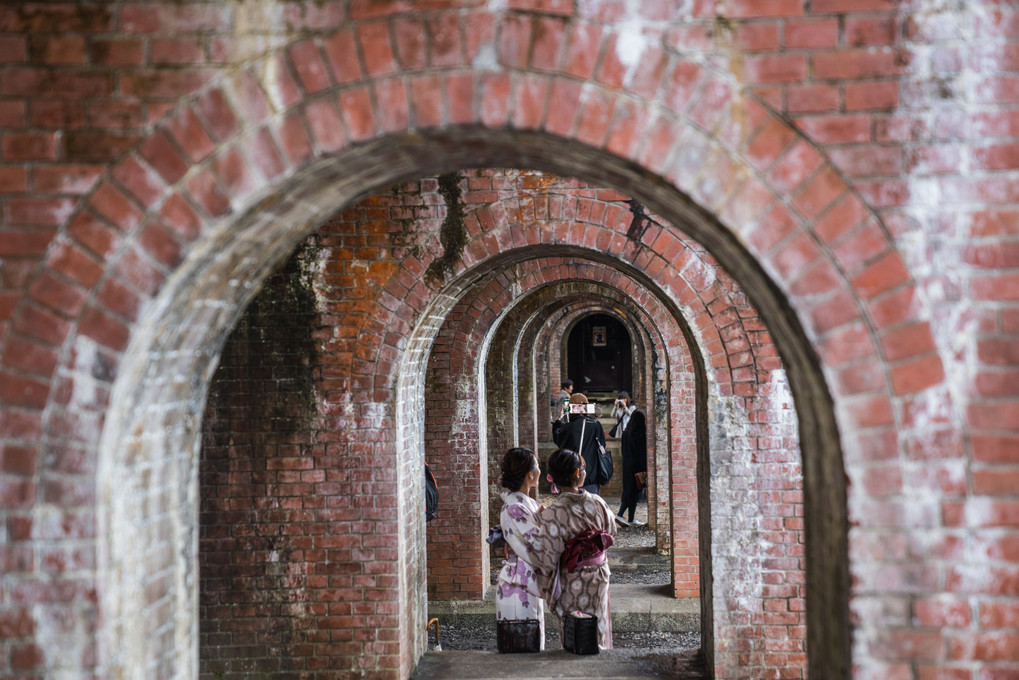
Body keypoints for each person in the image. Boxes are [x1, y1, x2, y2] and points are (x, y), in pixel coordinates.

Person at [536, 447, 616, 650]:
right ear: (577, 474)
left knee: (573, 635)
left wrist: (547, 588)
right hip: (598, 577)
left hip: (570, 581)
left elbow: (548, 558)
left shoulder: (552, 514)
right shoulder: (598, 503)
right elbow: (611, 532)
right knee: (598, 629)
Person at [495, 447, 547, 649]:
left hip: (525, 580)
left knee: (530, 643)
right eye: (538, 466)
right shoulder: (515, 507)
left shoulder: (524, 503)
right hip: (517, 586)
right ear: (530, 474)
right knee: (522, 646)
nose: (540, 470)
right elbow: (540, 544)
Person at [553, 393, 607, 494]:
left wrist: (558, 419)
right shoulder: (595, 425)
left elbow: (557, 439)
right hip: (591, 478)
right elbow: (602, 446)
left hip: (571, 480)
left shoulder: (568, 428)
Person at [616, 407, 647, 527]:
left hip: (626, 466)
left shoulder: (626, 433)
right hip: (637, 467)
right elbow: (641, 454)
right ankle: (621, 514)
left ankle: (630, 518)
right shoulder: (641, 435)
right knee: (633, 493)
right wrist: (644, 469)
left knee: (629, 492)